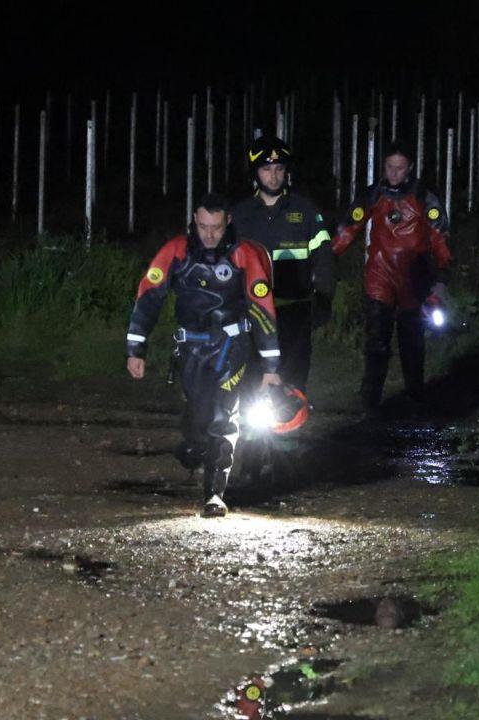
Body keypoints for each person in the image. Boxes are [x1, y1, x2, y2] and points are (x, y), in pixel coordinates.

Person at [125, 194, 281, 517]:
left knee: (224, 418)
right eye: (203, 226)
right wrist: (136, 348)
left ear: (228, 224)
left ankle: (214, 494)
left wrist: (270, 365)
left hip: (232, 345)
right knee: (198, 419)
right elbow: (148, 297)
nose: (209, 234)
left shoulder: (245, 254)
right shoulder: (176, 252)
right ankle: (192, 445)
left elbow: (262, 307)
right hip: (191, 348)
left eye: (216, 227)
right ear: (194, 221)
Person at [332, 143, 452, 410]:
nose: (394, 173)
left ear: (409, 168)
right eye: (389, 167)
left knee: (412, 340)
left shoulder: (423, 196)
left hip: (413, 276)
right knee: (376, 341)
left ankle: (415, 394)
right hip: (380, 276)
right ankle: (370, 398)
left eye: (400, 168)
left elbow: (439, 235)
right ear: (383, 167)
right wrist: (329, 258)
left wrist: (443, 272)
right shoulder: (373, 195)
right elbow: (349, 227)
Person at [230, 136, 334, 394]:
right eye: (266, 169)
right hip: (252, 313)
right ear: (255, 173)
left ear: (287, 172)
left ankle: (292, 431)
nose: (273, 176)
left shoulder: (305, 210)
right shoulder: (240, 215)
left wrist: (323, 297)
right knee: (251, 381)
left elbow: (324, 258)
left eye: (279, 169)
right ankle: (251, 434)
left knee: (293, 382)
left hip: (294, 312)